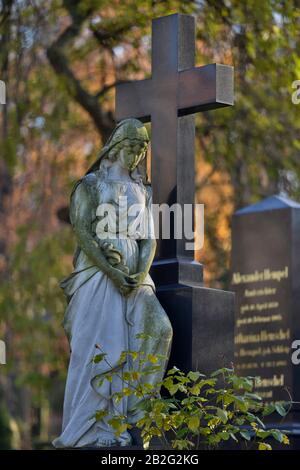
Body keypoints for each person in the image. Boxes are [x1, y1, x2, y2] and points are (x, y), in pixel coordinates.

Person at [53, 119, 173, 448]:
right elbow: (83, 233)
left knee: (160, 329)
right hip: (98, 277)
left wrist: (138, 273)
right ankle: (95, 431)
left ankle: (137, 413)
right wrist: (111, 271)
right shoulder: (91, 185)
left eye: (141, 150)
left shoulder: (142, 191)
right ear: (116, 147)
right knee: (102, 348)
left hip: (136, 277)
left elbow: (148, 240)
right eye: (131, 147)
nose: (135, 155)